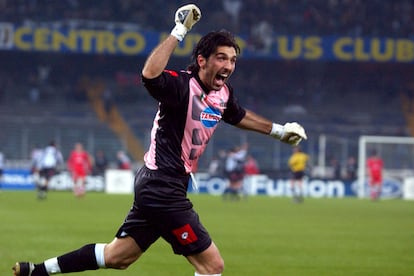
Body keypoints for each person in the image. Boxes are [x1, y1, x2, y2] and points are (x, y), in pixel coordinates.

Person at [12, 4, 306, 276]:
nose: (228, 66)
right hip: (162, 186)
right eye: (221, 58)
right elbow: (149, 75)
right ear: (202, 60)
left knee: (118, 257)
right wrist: (179, 31)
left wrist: (280, 131)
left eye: (232, 60)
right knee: (212, 265)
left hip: (161, 185)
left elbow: (239, 115)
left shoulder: (223, 95)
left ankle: (37, 271)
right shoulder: (181, 86)